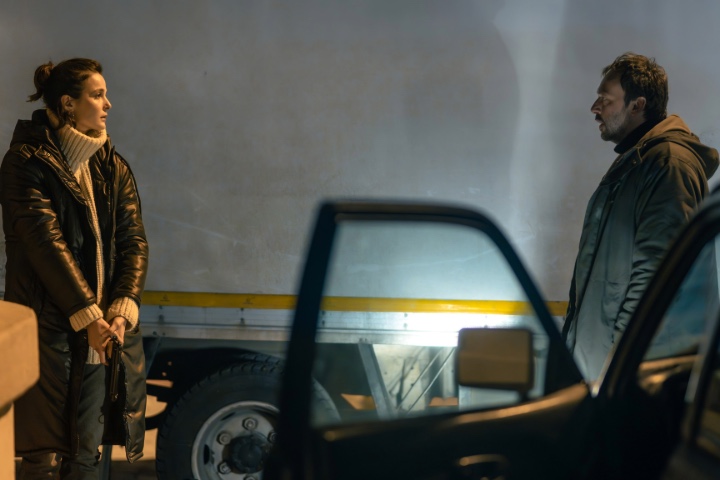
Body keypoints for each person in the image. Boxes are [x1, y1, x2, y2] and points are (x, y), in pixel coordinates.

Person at [1, 58, 149, 479]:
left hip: (101, 333)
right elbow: (46, 246)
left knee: (87, 455)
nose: (108, 104)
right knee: (42, 455)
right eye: (97, 95)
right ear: (68, 103)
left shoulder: (112, 166)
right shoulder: (24, 163)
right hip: (49, 333)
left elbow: (134, 242)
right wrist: (88, 316)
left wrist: (121, 309)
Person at [562, 52, 719, 380]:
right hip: (609, 372)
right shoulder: (638, 162)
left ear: (637, 105)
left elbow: (656, 278)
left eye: (605, 99)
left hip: (625, 376)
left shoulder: (669, 165)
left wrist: (621, 364)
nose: (594, 108)